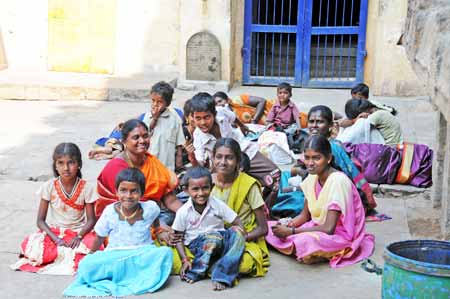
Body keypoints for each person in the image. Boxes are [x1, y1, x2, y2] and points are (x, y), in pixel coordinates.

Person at [266, 135, 375, 268]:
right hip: (316, 227)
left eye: (316, 158)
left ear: (328, 158)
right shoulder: (312, 178)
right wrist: (288, 224)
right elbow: (304, 216)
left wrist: (291, 232)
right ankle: (309, 252)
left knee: (305, 241)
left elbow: (329, 228)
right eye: (307, 158)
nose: (310, 163)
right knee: (269, 228)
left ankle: (313, 252)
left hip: (338, 234)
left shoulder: (338, 181)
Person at [63, 168, 173, 297]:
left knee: (165, 252)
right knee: (86, 265)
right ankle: (132, 276)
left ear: (142, 193)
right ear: (116, 192)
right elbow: (99, 237)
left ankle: (129, 276)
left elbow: (155, 219)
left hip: (141, 254)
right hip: (115, 256)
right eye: (123, 190)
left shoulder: (150, 208)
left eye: (134, 191)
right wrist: (92, 254)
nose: (128, 196)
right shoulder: (110, 212)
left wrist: (158, 230)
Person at [270, 105, 376, 219]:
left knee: (294, 200)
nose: (314, 126)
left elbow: (335, 181)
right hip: (311, 182)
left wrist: (299, 180)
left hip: (329, 192)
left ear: (330, 125)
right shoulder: (311, 142)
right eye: (311, 121)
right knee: (283, 176)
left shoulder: (333, 148)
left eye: (320, 122)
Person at [10, 143, 98, 275]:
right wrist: (55, 239)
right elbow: (40, 221)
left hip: (78, 232)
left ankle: (65, 254)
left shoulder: (87, 188)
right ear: (55, 166)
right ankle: (63, 254)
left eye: (71, 163)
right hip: (55, 233)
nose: (66, 168)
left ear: (79, 164)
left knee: (94, 247)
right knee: (34, 248)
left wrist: (79, 237)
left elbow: (91, 220)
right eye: (61, 163)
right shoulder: (49, 186)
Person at [95, 119, 182, 229]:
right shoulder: (115, 167)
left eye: (145, 136)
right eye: (136, 137)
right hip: (124, 218)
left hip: (153, 213)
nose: (142, 141)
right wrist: (159, 227)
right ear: (124, 141)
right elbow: (126, 207)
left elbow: (170, 199)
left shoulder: (151, 161)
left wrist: (188, 215)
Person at [190, 92, 280, 193]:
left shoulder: (221, 112)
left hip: (244, 151)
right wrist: (192, 157)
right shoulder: (198, 136)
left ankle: (261, 203)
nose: (203, 123)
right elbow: (200, 163)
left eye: (207, 117)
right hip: (224, 165)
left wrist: (242, 126)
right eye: (198, 118)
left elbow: (233, 117)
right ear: (193, 118)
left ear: (214, 114)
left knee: (275, 176)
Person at [172, 167, 245, 291]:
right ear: (186, 190)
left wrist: (238, 239)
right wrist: (185, 259)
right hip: (198, 244)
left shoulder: (217, 204)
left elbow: (237, 221)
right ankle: (196, 272)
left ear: (211, 187)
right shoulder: (183, 211)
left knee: (238, 232)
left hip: (220, 239)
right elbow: (178, 238)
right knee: (213, 238)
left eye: (205, 188)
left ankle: (221, 275)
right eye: (195, 189)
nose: (200, 193)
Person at [90, 81, 185, 173]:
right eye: (153, 101)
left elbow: (179, 142)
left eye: (159, 102)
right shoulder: (148, 116)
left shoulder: (174, 119)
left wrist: (179, 159)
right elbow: (147, 131)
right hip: (148, 164)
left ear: (167, 103)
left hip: (165, 166)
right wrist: (155, 118)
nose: (155, 104)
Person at [211, 138, 270, 277]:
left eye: (229, 158)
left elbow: (263, 228)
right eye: (219, 157)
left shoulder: (249, 184)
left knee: (244, 264)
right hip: (214, 237)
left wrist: (239, 240)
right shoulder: (208, 182)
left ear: (238, 161)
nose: (223, 162)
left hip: (243, 237)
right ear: (212, 158)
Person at [338, 99, 403, 146]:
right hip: (395, 143)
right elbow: (344, 123)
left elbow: (357, 130)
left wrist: (355, 120)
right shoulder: (374, 106)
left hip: (391, 148)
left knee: (361, 126)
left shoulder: (375, 116)